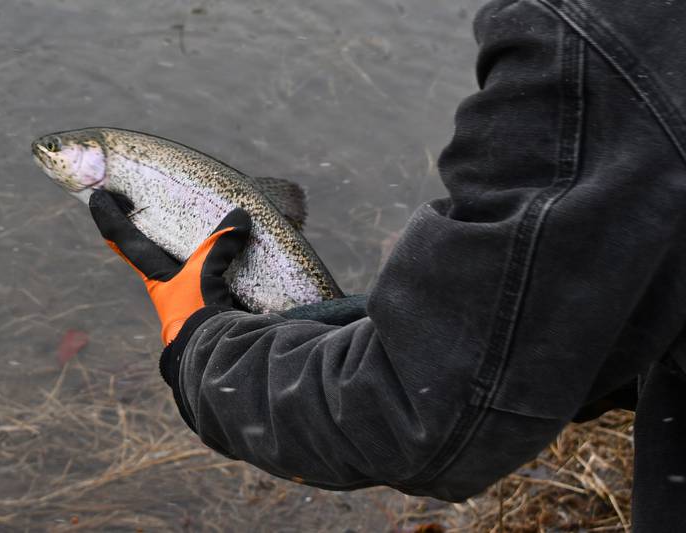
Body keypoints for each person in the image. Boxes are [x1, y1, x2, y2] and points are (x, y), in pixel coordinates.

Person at [88, 0, 686, 530]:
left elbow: (410, 411)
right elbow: (608, 297)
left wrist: (200, 345)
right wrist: (395, 327)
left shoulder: (597, 39)